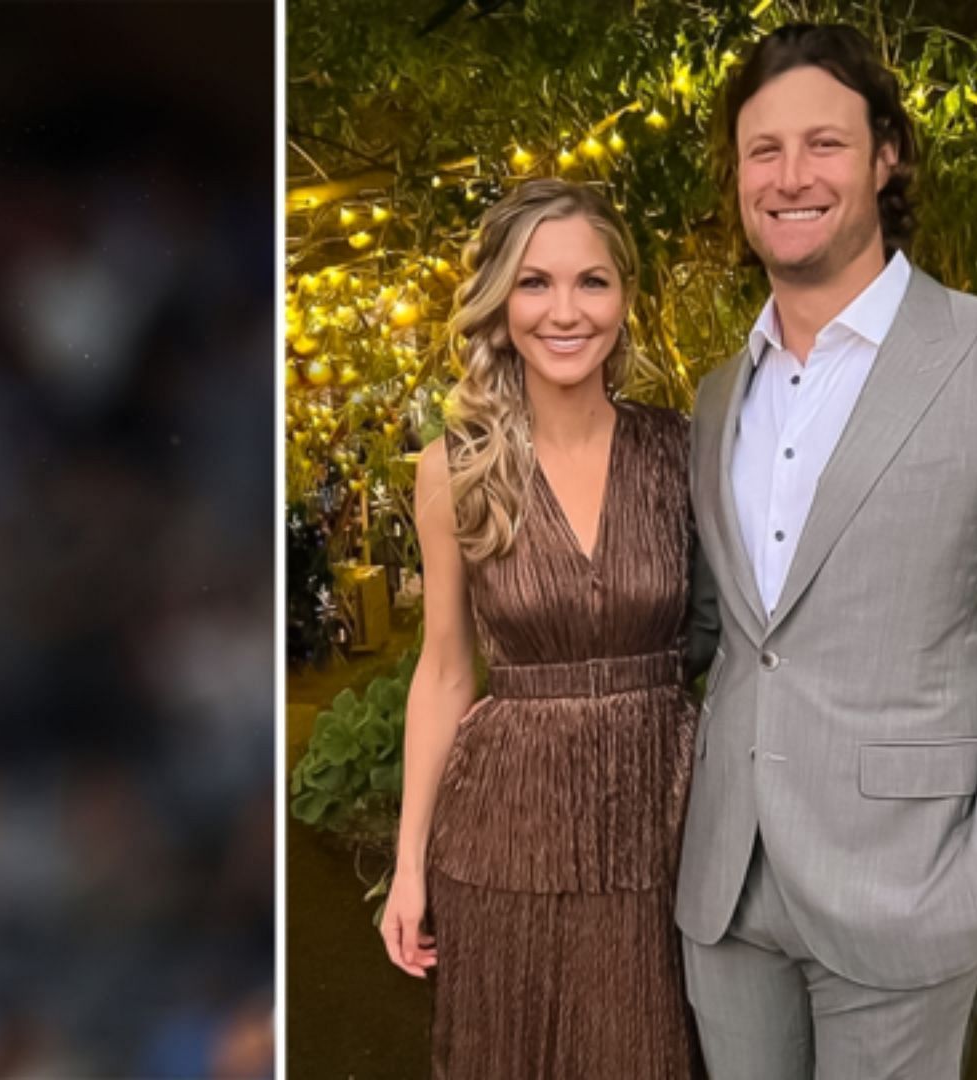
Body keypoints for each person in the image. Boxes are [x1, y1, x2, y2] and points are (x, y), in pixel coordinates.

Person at [677, 23, 977, 1078]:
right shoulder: (712, 397)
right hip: (726, 888)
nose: (791, 177)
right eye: (762, 150)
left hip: (911, 892)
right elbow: (720, 633)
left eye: (823, 144)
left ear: (886, 156)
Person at [380, 178, 709, 1078]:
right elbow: (445, 673)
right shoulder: (454, 470)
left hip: (664, 826)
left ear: (626, 299)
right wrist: (408, 869)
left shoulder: (686, 451)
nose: (565, 311)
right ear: (498, 304)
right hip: (506, 836)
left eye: (591, 282)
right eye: (535, 283)